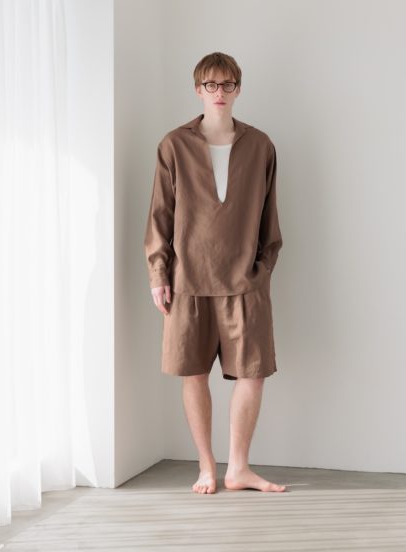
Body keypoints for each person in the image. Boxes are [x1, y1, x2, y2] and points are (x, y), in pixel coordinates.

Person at [144, 52, 285, 494]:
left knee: (253, 372)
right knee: (193, 372)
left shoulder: (260, 145)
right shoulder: (173, 145)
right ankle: (206, 466)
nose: (219, 92)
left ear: (238, 89)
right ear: (198, 90)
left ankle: (238, 467)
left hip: (246, 280)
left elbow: (270, 217)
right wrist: (158, 273)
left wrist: (263, 268)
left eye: (227, 84)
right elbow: (160, 216)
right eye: (210, 85)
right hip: (187, 279)